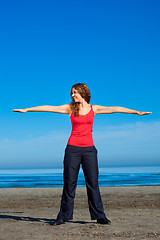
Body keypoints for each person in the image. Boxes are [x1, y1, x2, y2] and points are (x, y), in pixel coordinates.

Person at [12, 83, 152, 225]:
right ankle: (63, 216)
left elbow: (115, 109)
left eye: (75, 92)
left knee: (92, 183)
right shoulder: (70, 108)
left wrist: (137, 112)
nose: (73, 95)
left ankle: (100, 216)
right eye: (71, 93)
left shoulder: (94, 109)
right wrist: (27, 109)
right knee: (69, 183)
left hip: (89, 150)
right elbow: (48, 108)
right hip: (72, 149)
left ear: (83, 93)